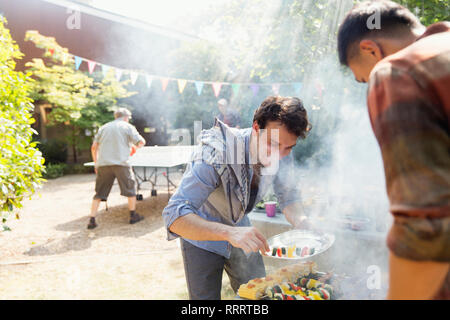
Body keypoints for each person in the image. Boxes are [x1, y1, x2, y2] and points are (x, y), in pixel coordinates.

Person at [337, 0, 449, 299]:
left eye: (363, 77)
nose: (369, 83)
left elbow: (426, 226)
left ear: (370, 49)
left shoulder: (397, 72)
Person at [162, 96, 311, 300]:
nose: (279, 155)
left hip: (241, 229)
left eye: (288, 148)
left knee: (261, 296)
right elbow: (173, 216)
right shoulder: (215, 153)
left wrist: (302, 222)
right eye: (273, 145)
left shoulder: (282, 148)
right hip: (200, 237)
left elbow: (289, 196)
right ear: (256, 127)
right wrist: (229, 233)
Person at [88, 108, 146, 229]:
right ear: (125, 117)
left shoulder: (103, 128)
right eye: (128, 118)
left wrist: (96, 164)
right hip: (121, 163)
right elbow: (141, 142)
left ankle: (92, 220)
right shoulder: (127, 126)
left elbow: (94, 147)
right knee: (131, 190)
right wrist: (133, 149)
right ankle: (132, 216)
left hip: (103, 164)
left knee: (99, 193)